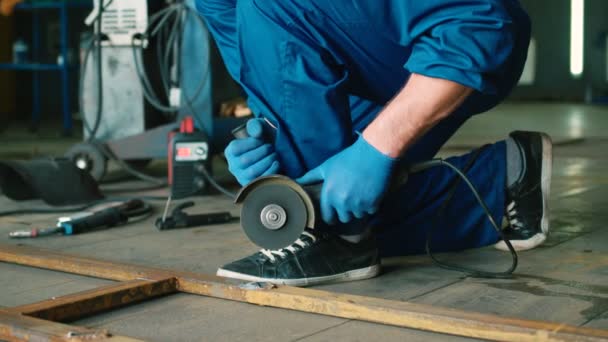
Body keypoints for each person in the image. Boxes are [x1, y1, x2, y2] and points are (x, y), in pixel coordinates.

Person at [196, 0, 552, 286]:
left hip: (462, 35)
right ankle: (504, 177)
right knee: (354, 206)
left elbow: (481, 22)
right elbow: (272, 74)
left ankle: (332, 239)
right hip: (373, 60)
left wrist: (377, 147)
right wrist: (267, 139)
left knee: (274, 4)